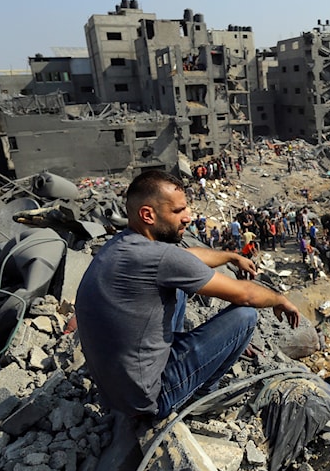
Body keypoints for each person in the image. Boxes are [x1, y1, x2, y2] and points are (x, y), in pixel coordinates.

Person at [75, 170, 301, 421]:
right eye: (177, 211)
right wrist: (280, 300)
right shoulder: (159, 258)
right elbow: (246, 295)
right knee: (245, 316)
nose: (187, 218)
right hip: (150, 400)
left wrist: (230, 256)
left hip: (116, 390)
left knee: (178, 291)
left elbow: (186, 259)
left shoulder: (123, 244)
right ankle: (201, 394)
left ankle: (188, 359)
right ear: (148, 215)